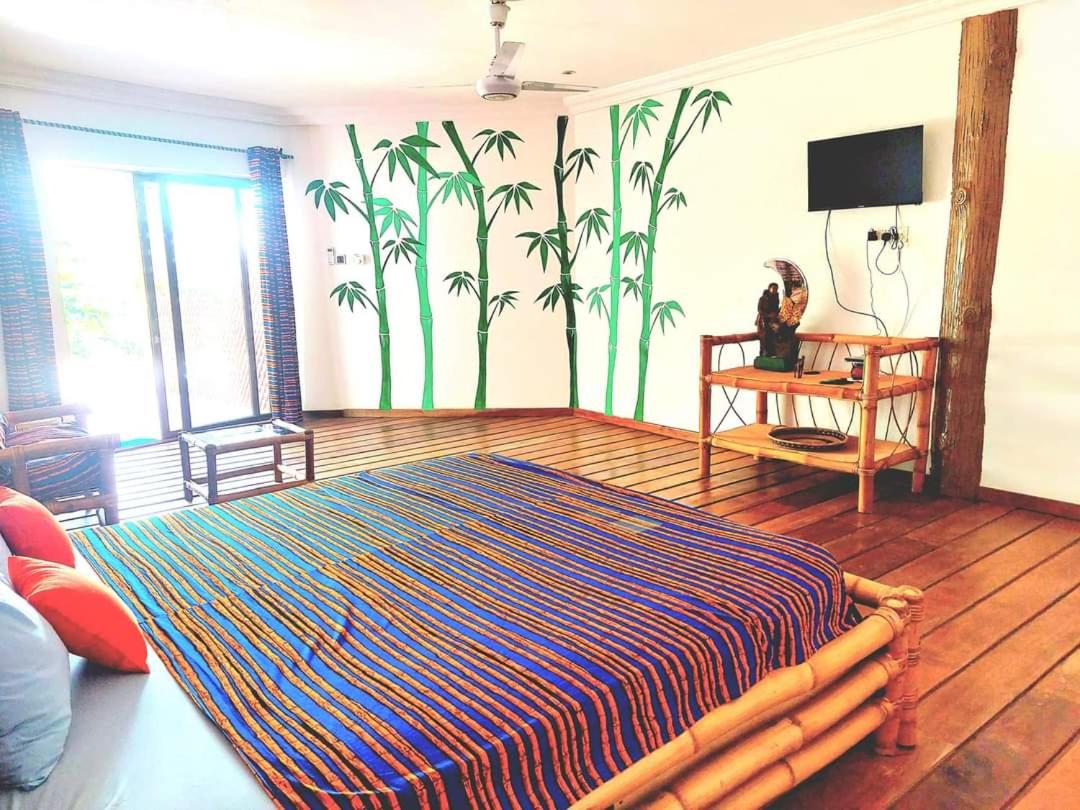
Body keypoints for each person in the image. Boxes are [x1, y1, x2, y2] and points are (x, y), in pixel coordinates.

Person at [755, 283, 780, 356]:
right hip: (764, 319)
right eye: (773, 288)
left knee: (774, 336)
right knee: (764, 337)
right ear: (769, 288)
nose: (775, 290)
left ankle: (772, 353)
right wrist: (769, 315)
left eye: (776, 289)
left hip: (773, 319)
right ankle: (764, 353)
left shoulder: (776, 298)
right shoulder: (763, 298)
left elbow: (776, 309)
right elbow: (759, 310)